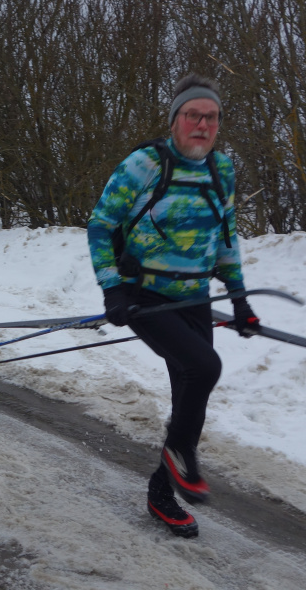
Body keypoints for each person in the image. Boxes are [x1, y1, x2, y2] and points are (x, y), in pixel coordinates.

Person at [86, 73, 261, 539]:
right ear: (176, 120)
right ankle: (181, 459)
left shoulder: (221, 170)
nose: (203, 124)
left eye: (212, 117)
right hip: (145, 295)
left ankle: (161, 494)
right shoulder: (144, 164)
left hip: (195, 296)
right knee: (204, 367)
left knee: (190, 393)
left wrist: (240, 300)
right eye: (193, 115)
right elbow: (101, 226)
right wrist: (112, 290)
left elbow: (226, 238)